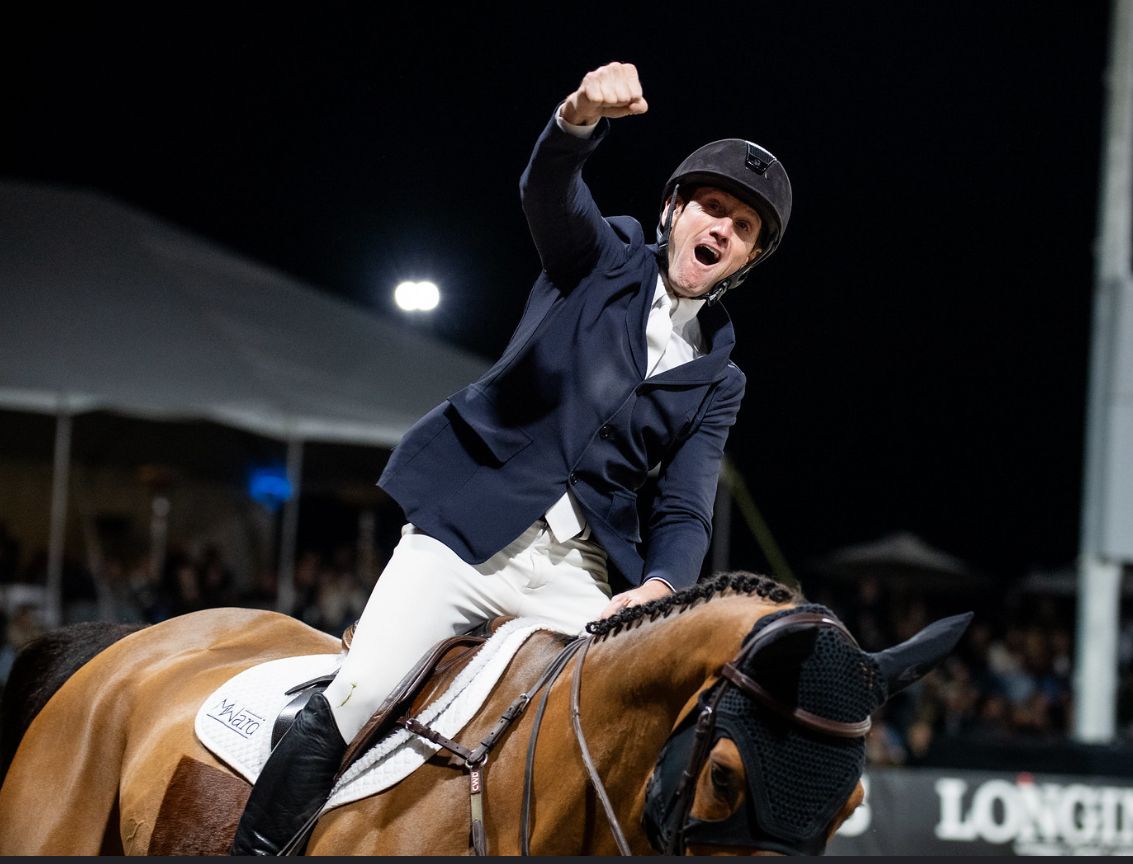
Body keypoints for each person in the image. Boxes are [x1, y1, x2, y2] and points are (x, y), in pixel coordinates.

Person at [232, 60, 792, 855]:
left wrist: (661, 586)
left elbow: (683, 503)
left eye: (742, 228)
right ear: (673, 209)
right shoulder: (603, 256)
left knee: (606, 748)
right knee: (359, 692)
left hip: (577, 576)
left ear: (748, 260)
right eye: (711, 207)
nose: (722, 229)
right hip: (467, 538)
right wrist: (576, 119)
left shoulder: (720, 379)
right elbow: (547, 191)